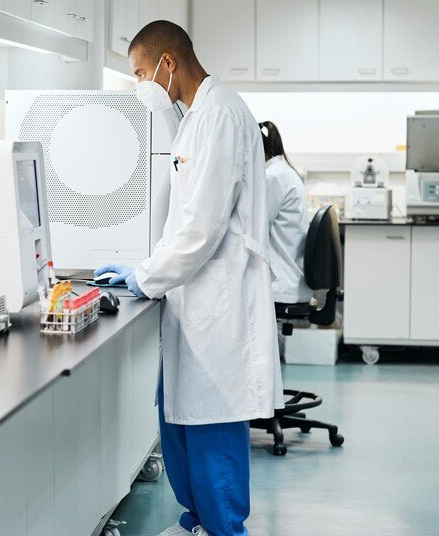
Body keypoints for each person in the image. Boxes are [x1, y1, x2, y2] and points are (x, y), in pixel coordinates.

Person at [94, 21, 282, 536]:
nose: (140, 83)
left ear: (167, 64)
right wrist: (148, 270)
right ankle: (198, 523)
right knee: (179, 422)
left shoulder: (220, 116)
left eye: (139, 72)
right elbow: (188, 218)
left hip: (218, 304)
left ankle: (223, 530)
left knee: (212, 428)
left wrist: (145, 277)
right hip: (194, 301)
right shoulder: (198, 118)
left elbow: (201, 229)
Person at [259, 121, 313, 305]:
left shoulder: (272, 176)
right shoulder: (284, 171)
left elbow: (257, 226)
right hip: (292, 279)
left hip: (281, 285)